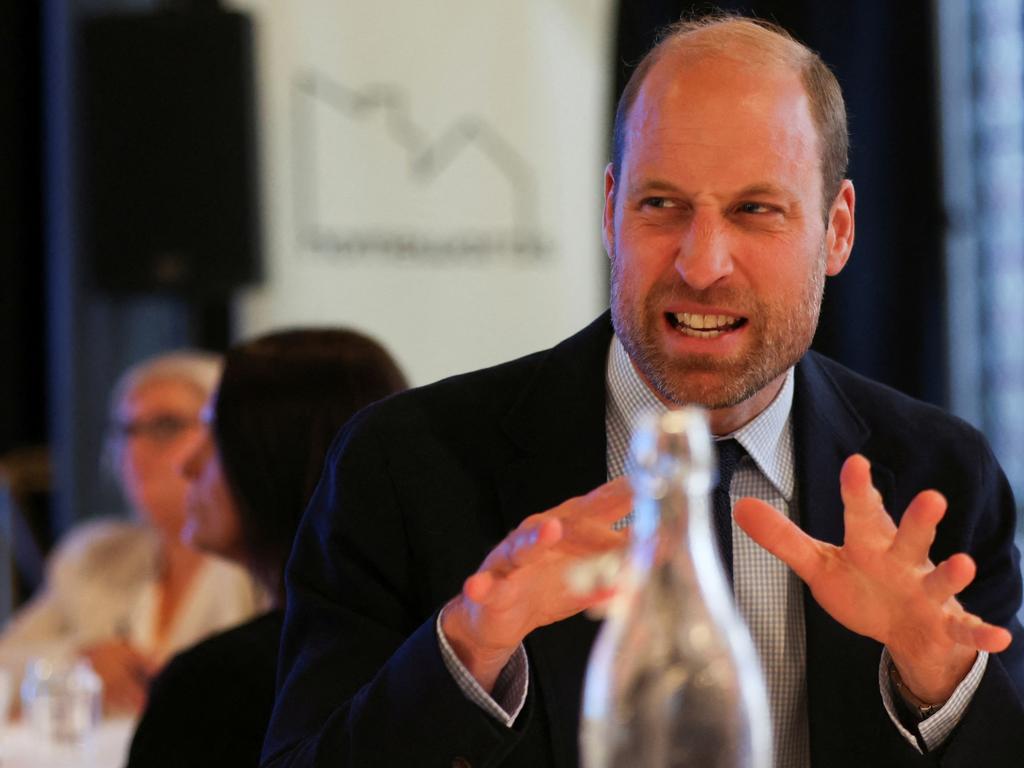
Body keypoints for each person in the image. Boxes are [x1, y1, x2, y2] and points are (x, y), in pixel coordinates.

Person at [261, 15, 1024, 768]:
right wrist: (464, 653)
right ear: (609, 211)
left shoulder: (939, 481)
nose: (702, 263)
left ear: (838, 230)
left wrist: (942, 687)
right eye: (661, 205)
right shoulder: (405, 466)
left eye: (755, 210)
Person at [125, 329, 407, 767]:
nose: (189, 463)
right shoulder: (430, 652)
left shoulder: (217, 685)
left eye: (216, 436)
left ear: (274, 458)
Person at [0, 352, 262, 715]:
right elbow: (5, 664)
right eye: (126, 431)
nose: (136, 450)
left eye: (166, 426)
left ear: (229, 437)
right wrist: (77, 663)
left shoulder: (264, 562)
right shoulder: (93, 555)